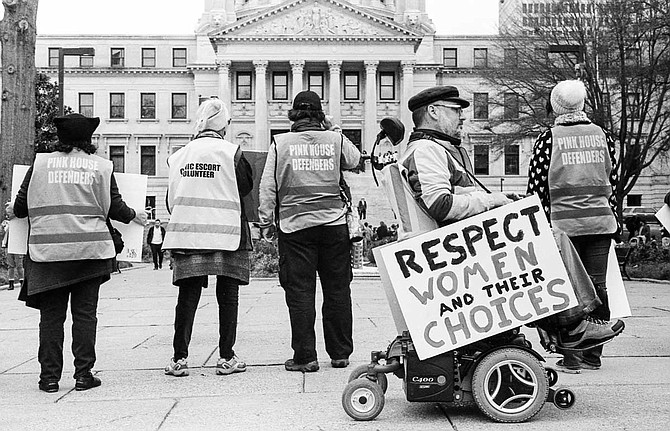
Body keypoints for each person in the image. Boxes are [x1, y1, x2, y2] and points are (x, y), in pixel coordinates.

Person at [7, 113, 146, 393]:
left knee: (51, 318)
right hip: (90, 252)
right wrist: (135, 216)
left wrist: (12, 209)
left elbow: (21, 207)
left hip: (48, 253)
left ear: (61, 138)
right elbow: (115, 207)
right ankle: (83, 374)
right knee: (85, 315)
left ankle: (49, 379)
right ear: (89, 139)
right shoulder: (101, 167)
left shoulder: (41, 164)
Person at [258, 90, 361, 372]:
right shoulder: (335, 139)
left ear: (293, 114)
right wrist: (333, 127)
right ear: (320, 114)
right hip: (333, 226)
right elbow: (354, 160)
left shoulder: (280, 143)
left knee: (300, 292)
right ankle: (340, 354)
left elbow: (267, 187)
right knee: (338, 290)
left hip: (295, 228)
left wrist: (266, 222)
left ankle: (306, 357)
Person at [527, 79, 625, 373]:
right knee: (598, 287)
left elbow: (537, 189)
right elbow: (613, 180)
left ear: (555, 106)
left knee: (567, 290)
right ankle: (594, 355)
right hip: (599, 222)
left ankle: (572, 356)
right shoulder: (603, 136)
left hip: (563, 228)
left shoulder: (548, 139)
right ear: (582, 105)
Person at [162, 98, 252, 378]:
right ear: (224, 126)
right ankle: (226, 356)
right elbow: (245, 186)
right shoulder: (232, 153)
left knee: (187, 296)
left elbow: (170, 199)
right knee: (228, 296)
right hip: (227, 234)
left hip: (189, 234)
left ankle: (179, 358)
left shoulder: (179, 156)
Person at [2, 213, 24, 291]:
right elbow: (4, 231)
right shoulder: (6, 224)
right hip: (8, 246)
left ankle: (22, 282)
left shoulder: (18, 223)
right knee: (10, 266)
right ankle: (11, 283)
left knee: (19, 265)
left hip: (17, 245)